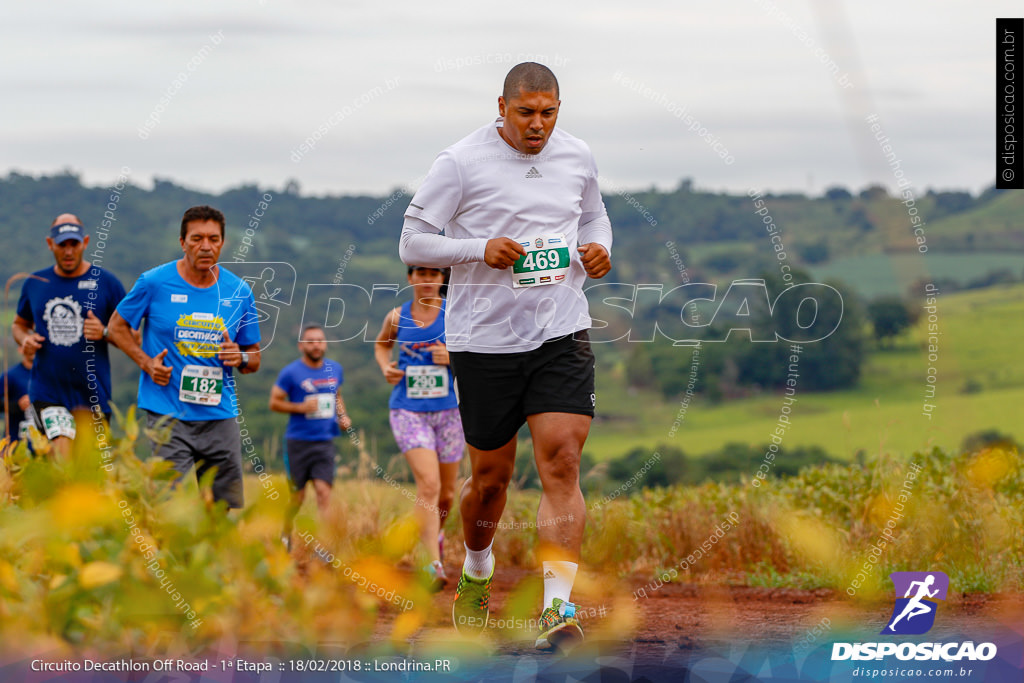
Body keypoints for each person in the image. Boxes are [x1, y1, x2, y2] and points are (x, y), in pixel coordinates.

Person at [399, 62, 612, 651]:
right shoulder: (460, 161)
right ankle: (476, 565)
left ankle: (557, 608)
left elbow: (594, 217)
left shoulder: (577, 155)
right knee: (490, 481)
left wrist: (598, 250)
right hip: (484, 342)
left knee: (562, 461)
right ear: (502, 106)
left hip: (561, 332)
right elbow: (412, 240)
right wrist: (478, 249)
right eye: (526, 113)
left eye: (549, 112)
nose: (538, 124)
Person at [107, 205, 261, 509]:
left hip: (219, 417)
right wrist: (146, 363)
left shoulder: (239, 291)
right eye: (197, 238)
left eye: (214, 239)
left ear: (223, 242)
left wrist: (239, 356)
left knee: (224, 510)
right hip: (167, 415)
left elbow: (254, 358)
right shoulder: (154, 282)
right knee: (166, 506)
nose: (206, 246)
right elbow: (116, 327)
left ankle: (216, 557)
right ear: (182, 242)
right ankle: (163, 557)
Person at [374, 265, 465, 591]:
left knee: (447, 495)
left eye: (434, 273)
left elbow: (478, 354)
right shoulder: (398, 316)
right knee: (429, 484)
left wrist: (452, 357)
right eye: (420, 272)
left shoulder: (455, 313)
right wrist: (387, 368)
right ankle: (431, 564)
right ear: (410, 277)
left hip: (450, 413)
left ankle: (433, 535)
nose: (428, 279)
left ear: (443, 278)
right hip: (408, 410)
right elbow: (382, 345)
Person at [12, 214, 130, 456]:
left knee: (86, 477)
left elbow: (134, 337)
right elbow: (18, 324)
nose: (68, 251)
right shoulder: (35, 283)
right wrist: (25, 339)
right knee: (61, 452)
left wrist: (105, 332)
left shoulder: (106, 283)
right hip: (47, 393)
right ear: (49, 244)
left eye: (73, 244)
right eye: (61, 244)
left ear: (85, 242)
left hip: (93, 395)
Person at [270, 324, 352, 545]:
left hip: (325, 441)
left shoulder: (335, 369)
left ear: (325, 344)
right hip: (298, 442)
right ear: (301, 345)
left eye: (319, 341)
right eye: (310, 341)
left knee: (324, 493)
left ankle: (324, 546)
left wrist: (343, 417)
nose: (316, 345)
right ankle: (285, 535)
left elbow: (337, 397)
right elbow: (274, 402)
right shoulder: (290, 372)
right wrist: (299, 408)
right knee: (297, 497)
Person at [2, 347, 33, 447]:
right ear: (20, 349)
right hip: (15, 443)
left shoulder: (49, 375)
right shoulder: (10, 375)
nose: (32, 349)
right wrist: (17, 406)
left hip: (44, 447)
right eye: (28, 345)